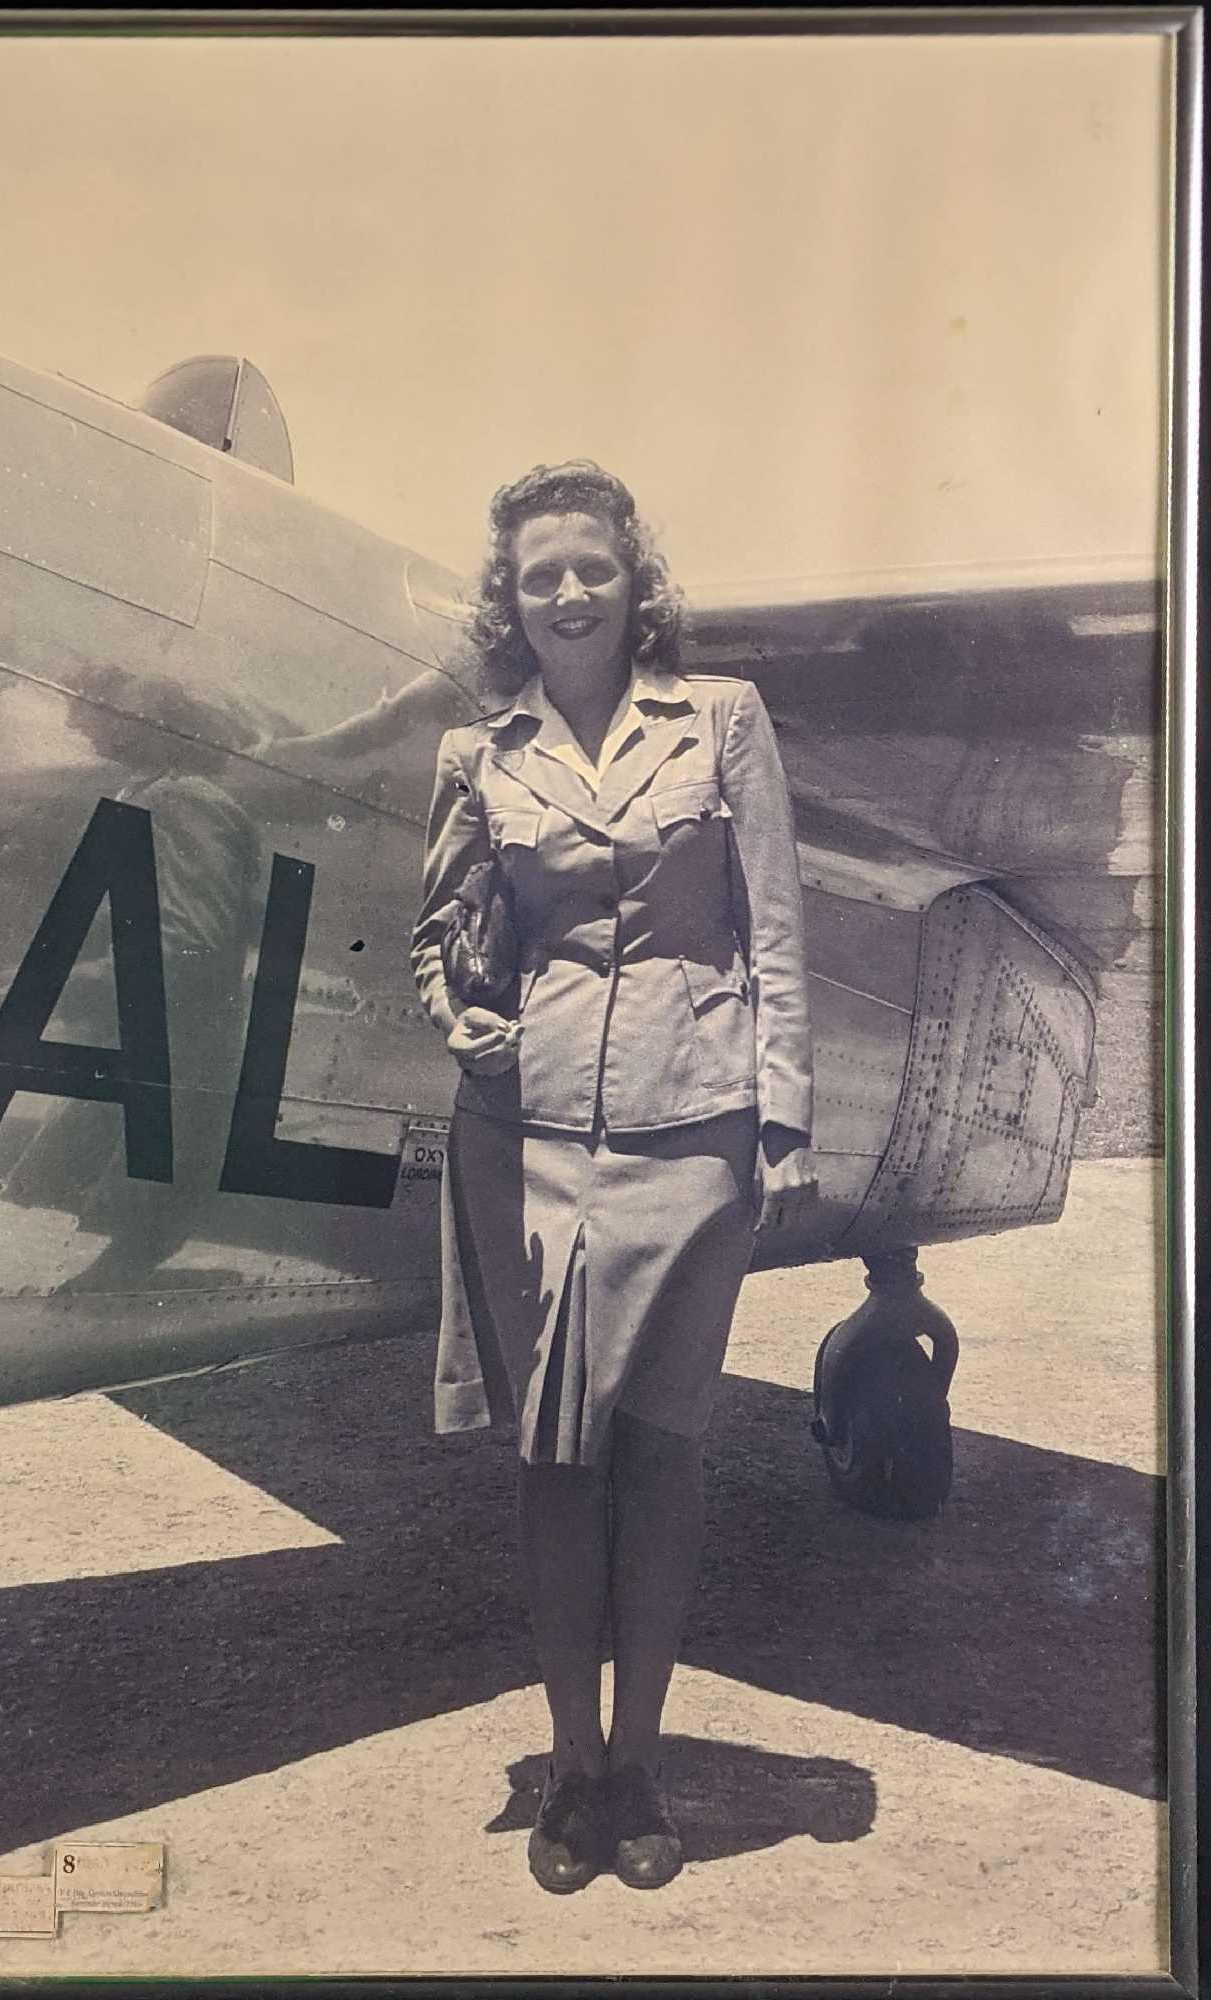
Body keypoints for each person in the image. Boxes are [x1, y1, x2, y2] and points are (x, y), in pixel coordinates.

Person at [410, 461, 816, 1894]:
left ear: (636, 584)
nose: (569, 593)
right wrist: (469, 1022)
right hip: (532, 1147)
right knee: (551, 1463)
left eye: (592, 567)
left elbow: (771, 923)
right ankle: (569, 1771)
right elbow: (436, 934)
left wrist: (781, 1117)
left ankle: (638, 1760)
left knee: (662, 1452)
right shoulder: (479, 754)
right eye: (539, 576)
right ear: (508, 604)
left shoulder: (719, 722)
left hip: (693, 1131)